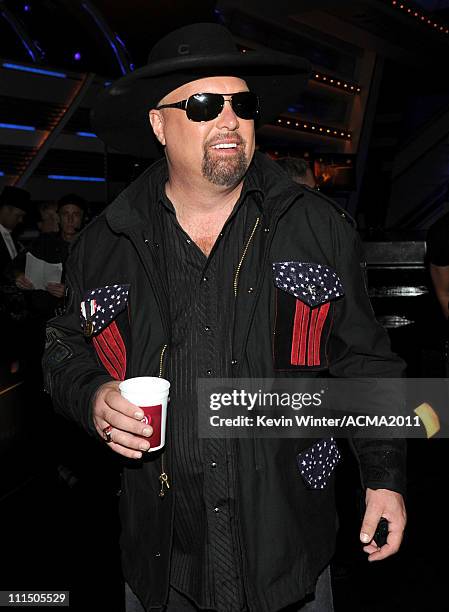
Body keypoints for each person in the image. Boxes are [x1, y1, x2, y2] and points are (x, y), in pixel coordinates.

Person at [43, 23, 407, 612]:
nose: (229, 120)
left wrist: (384, 475)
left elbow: (365, 361)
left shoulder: (317, 229)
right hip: (164, 555)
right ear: (159, 125)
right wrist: (91, 394)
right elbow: (63, 343)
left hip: (288, 545)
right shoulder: (104, 243)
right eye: (205, 105)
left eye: (243, 104)